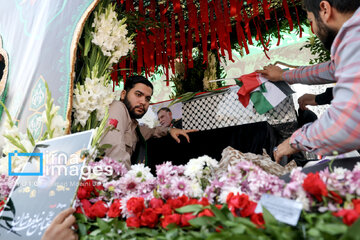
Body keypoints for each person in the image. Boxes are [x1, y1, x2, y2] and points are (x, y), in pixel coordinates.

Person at [256, 0, 360, 163]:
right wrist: (284, 75)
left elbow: (345, 125)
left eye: (311, 21)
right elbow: (332, 68)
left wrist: (294, 141)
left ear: (325, 9)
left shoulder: (355, 39)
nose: (314, 30)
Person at [100, 75, 196, 169]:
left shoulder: (134, 125)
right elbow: (113, 153)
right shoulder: (118, 107)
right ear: (123, 94)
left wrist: (170, 130)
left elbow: (151, 131)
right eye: (138, 95)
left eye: (147, 99)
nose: (143, 102)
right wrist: (130, 181)